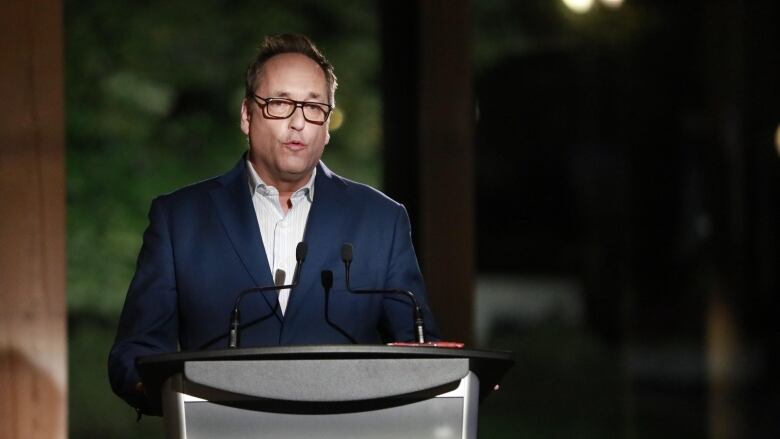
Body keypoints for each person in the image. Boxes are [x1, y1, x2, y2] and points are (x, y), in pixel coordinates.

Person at [108, 33, 440, 413]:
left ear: (328, 125)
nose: (298, 122)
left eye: (314, 108)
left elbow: (419, 348)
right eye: (280, 104)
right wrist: (164, 392)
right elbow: (136, 351)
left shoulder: (382, 220)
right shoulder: (180, 219)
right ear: (247, 116)